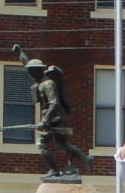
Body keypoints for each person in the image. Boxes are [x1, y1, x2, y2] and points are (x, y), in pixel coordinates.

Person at [14, 44, 91, 179]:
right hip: (52, 118)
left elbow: (54, 104)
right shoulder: (38, 80)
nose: (29, 73)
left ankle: (54, 171)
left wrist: (45, 121)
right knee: (63, 144)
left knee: (42, 144)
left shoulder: (48, 84)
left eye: (31, 71)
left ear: (37, 71)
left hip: (55, 119)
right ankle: (84, 158)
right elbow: (26, 62)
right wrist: (20, 52)